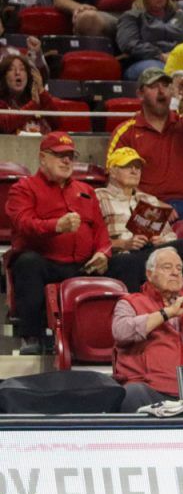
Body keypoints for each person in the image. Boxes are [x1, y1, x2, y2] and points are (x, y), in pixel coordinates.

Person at [5, 132, 111, 355]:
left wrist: (104, 252)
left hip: (84, 265)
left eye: (71, 156)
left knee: (127, 263)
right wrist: (56, 226)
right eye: (60, 156)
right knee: (27, 262)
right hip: (46, 263)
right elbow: (24, 224)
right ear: (43, 158)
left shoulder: (86, 190)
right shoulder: (24, 188)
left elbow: (100, 229)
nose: (67, 161)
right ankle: (31, 336)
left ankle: (118, 337)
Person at [112, 246, 183, 412]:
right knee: (131, 393)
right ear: (149, 274)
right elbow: (121, 332)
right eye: (167, 267)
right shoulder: (130, 302)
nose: (175, 272)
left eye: (179, 268)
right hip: (150, 390)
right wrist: (168, 313)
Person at [97, 145, 183, 296]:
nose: (134, 171)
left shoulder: (148, 200)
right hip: (121, 256)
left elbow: (171, 237)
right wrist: (125, 243)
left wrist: (161, 240)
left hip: (151, 253)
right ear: (112, 171)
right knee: (129, 262)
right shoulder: (98, 197)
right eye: (127, 166)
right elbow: (93, 243)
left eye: (137, 167)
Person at [107, 68, 183, 225]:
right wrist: (152, 202)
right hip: (144, 205)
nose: (162, 91)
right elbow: (113, 180)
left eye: (166, 85)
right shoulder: (126, 132)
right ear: (140, 94)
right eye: (154, 86)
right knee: (148, 240)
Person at [117, 0, 183, 82]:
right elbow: (129, 44)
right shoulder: (132, 16)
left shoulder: (182, 16)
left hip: (178, 59)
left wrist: (178, 56)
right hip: (144, 61)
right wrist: (159, 55)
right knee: (161, 72)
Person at [0, 52, 75, 135]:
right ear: (3, 76)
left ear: (28, 76)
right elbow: (5, 126)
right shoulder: (2, 103)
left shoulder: (39, 99)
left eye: (22, 69)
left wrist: (41, 91)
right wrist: (33, 105)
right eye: (11, 69)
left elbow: (57, 124)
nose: (17, 72)